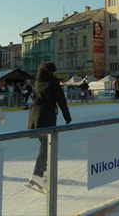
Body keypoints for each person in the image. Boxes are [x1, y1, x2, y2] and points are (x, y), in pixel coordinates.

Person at [28, 62, 71, 191]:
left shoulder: (38, 81)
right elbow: (60, 98)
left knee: (46, 144)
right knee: (46, 146)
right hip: (46, 117)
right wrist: (66, 115)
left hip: (35, 117)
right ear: (52, 71)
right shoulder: (52, 81)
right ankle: (37, 175)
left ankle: (44, 170)